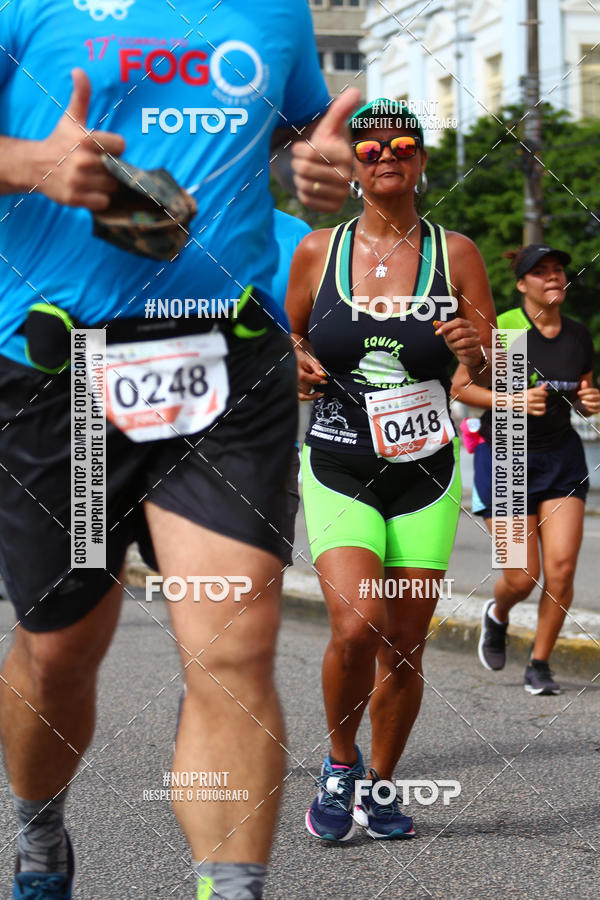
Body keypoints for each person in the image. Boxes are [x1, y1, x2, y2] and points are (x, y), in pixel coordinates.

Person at [0, 3, 359, 897]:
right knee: (60, 651)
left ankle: (228, 886)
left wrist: (321, 167)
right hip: (67, 373)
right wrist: (29, 163)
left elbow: (301, 136)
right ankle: (41, 833)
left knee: (234, 648)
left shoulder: (274, 9)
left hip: (227, 363)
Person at [285, 99, 496, 842]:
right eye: (369, 150)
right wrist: (297, 363)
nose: (384, 158)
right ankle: (339, 765)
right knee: (356, 625)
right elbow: (291, 342)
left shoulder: (457, 253)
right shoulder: (317, 252)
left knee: (405, 646)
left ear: (421, 162)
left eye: (400, 146)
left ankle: (380, 785)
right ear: (354, 167)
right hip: (341, 464)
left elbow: (490, 365)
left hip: (427, 472)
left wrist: (477, 346)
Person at [452, 244, 600, 696]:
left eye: (558, 271)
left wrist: (588, 401)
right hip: (510, 455)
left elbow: (580, 391)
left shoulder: (577, 336)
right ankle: (497, 616)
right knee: (522, 577)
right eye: (541, 273)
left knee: (561, 569)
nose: (554, 278)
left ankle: (539, 663)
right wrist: (513, 400)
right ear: (522, 286)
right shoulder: (507, 331)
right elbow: (461, 388)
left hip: (561, 458)